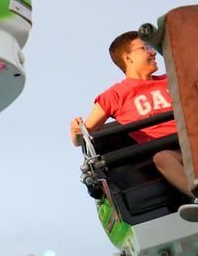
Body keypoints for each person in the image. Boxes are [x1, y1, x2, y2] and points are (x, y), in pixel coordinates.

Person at [71, 31, 198, 221]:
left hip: (194, 140)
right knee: (162, 158)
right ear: (128, 57)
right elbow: (82, 137)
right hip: (174, 152)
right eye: (146, 48)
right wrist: (75, 130)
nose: (154, 53)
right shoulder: (114, 95)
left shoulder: (173, 78)